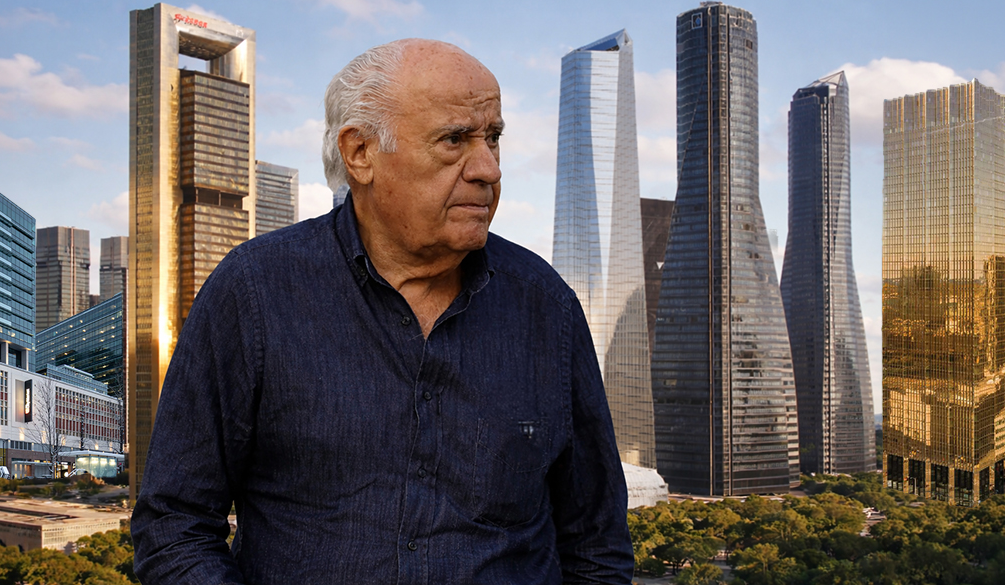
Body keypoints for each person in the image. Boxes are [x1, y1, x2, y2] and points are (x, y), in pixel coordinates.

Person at [132, 38, 634, 584]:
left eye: (493, 138)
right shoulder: (254, 293)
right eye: (454, 140)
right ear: (360, 153)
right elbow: (174, 524)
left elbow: (597, 547)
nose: (488, 169)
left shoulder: (547, 308)